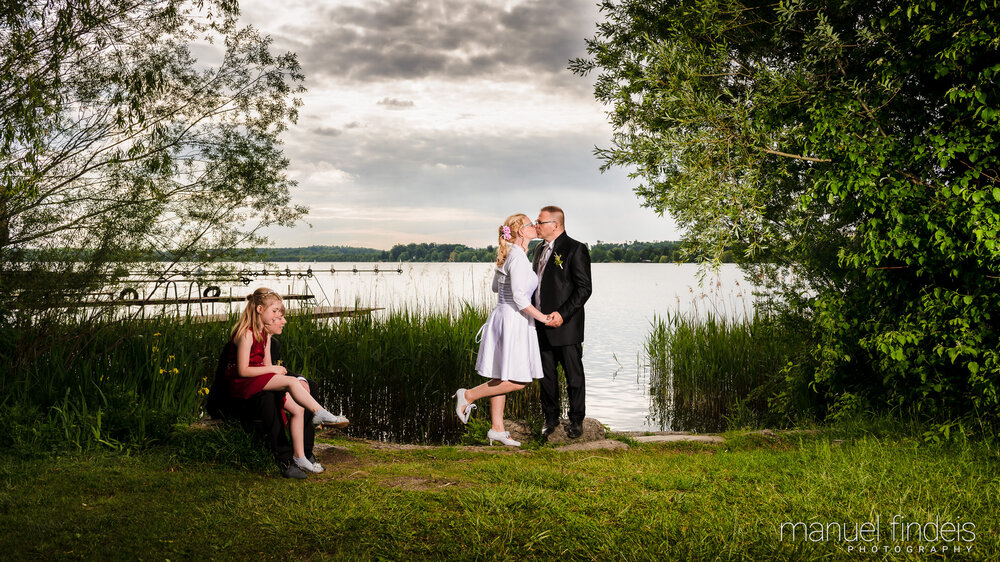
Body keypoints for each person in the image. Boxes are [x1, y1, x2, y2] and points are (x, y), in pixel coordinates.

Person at [454, 214, 553, 447]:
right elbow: (519, 298)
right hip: (513, 320)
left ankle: (497, 429)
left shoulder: (509, 255)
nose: (535, 227)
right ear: (521, 232)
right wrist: (543, 319)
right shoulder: (517, 258)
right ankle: (467, 395)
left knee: (501, 375)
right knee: (519, 381)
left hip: (502, 317)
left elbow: (495, 287)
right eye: (531, 225)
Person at [226, 287, 348, 475]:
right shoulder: (246, 333)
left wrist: (276, 373)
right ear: (259, 310)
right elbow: (242, 370)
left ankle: (300, 457)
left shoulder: (265, 334)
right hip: (242, 383)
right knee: (292, 382)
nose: (277, 316)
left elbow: (266, 364)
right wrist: (275, 370)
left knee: (298, 408)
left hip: (258, 378)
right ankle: (319, 412)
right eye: (274, 311)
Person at [532, 206, 592, 439]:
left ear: (555, 225)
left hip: (566, 326)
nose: (536, 225)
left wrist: (562, 314)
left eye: (540, 222)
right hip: (540, 323)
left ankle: (576, 421)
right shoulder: (537, 250)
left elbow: (584, 288)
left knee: (573, 376)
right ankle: (550, 419)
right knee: (545, 376)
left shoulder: (576, 249)